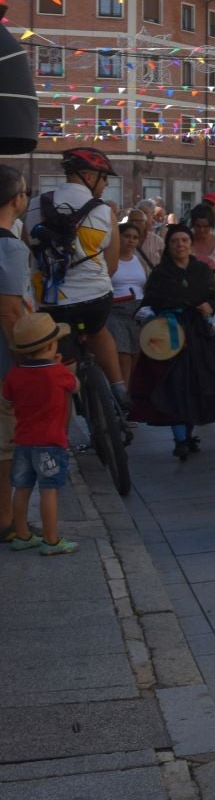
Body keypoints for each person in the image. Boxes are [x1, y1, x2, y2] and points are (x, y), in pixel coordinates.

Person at [27, 148, 127, 413]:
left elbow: (30, 250)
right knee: (98, 331)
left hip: (52, 304)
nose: (106, 184)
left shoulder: (36, 204)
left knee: (63, 367)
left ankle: (65, 440)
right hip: (96, 299)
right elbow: (113, 265)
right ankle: (119, 388)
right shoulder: (105, 213)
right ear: (88, 175)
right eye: (104, 178)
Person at [130, 225, 215, 459]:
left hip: (199, 335)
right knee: (174, 386)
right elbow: (147, 305)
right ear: (169, 245)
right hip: (170, 335)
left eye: (184, 240)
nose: (180, 245)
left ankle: (188, 433)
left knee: (195, 385)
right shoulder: (160, 274)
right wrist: (155, 319)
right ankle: (180, 439)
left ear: (191, 244)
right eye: (175, 241)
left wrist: (209, 306)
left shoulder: (202, 270)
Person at [5, 313, 80, 555]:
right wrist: (58, 365)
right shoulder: (57, 373)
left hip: (23, 441)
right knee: (49, 490)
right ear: (50, 346)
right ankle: (51, 540)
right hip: (50, 442)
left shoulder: (14, 374)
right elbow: (75, 386)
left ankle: (22, 535)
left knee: (22, 488)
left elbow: (5, 400)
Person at [0, 165, 34, 543]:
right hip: (5, 361)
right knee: (5, 444)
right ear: (17, 199)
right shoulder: (9, 246)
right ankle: (6, 519)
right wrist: (28, 359)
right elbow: (10, 309)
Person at [106, 219, 149, 386]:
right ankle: (121, 402)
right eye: (127, 236)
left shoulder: (140, 261)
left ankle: (131, 400)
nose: (131, 240)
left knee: (136, 358)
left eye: (135, 237)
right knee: (123, 358)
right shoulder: (110, 260)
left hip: (138, 312)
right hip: (116, 311)